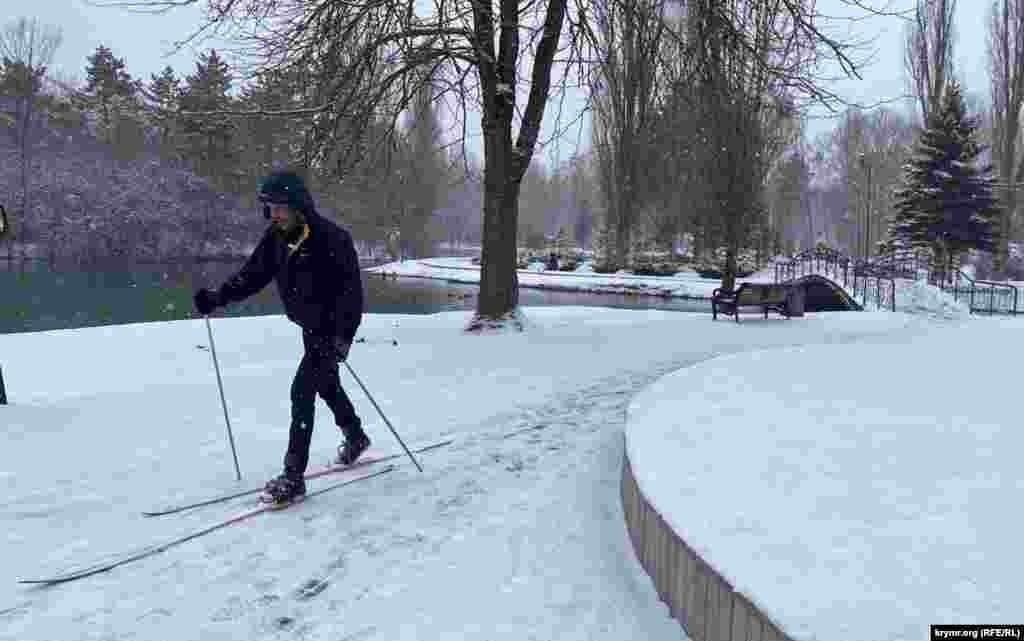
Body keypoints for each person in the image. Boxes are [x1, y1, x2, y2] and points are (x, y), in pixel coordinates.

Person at [193, 170, 370, 504]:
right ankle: (356, 435)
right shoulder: (276, 238)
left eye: (279, 208)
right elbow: (251, 276)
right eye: (269, 208)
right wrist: (217, 298)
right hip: (309, 327)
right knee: (326, 384)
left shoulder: (333, 239)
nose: (273, 215)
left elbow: (352, 295)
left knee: (302, 390)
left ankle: (293, 477)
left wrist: (342, 337)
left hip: (331, 331)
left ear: (298, 205)